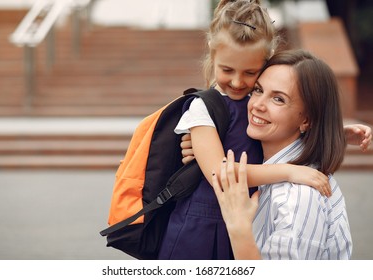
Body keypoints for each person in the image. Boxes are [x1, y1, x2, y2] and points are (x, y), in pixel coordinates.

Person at [158, 0, 371, 260]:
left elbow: (291, 119)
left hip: (242, 224)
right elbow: (221, 173)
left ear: (264, 65)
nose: (238, 82)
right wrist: (290, 171)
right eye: (227, 70)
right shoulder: (204, 108)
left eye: (250, 73)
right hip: (202, 229)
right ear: (212, 59)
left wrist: (336, 131)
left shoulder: (254, 102)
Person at [211, 49, 354, 259]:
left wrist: (238, 227)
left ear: (306, 120)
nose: (257, 105)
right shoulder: (271, 169)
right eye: (258, 90)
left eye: (278, 99)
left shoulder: (296, 197)